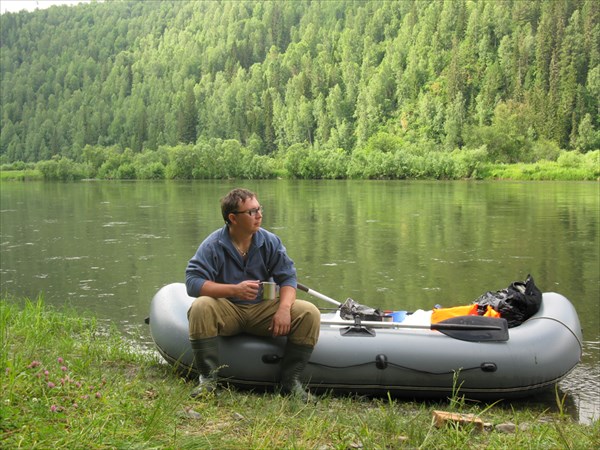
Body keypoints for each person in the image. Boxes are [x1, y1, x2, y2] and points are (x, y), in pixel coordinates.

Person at [185, 188, 320, 400]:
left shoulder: (270, 241)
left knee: (309, 312)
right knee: (201, 306)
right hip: (228, 309)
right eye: (251, 212)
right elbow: (192, 283)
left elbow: (288, 279)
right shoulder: (213, 245)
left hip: (262, 310)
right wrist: (234, 289)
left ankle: (290, 382)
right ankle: (208, 380)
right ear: (233, 218)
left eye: (259, 209)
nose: (259, 215)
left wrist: (284, 309)